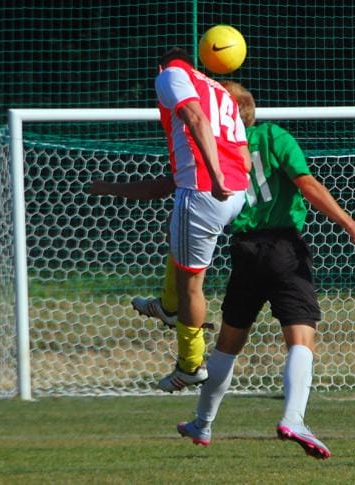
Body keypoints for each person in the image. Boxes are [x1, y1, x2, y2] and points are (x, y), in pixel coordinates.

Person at [100, 81, 355, 459]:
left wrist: (107, 188)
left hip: (244, 251)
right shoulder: (274, 136)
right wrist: (350, 224)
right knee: (301, 337)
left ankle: (202, 422)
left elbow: (166, 186)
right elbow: (306, 184)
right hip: (284, 249)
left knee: (228, 344)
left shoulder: (215, 150)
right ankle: (293, 417)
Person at [136, 47, 250, 392]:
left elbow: (195, 118)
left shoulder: (171, 75)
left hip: (206, 190)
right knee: (182, 253)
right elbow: (244, 159)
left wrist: (213, 174)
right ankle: (168, 306)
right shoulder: (220, 90)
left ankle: (189, 364)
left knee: (192, 287)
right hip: (236, 193)